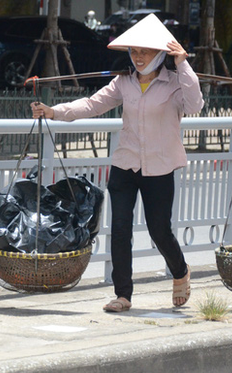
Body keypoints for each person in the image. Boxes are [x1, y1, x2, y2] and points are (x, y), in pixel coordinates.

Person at [31, 14, 204, 312]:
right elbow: (91, 104)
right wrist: (53, 111)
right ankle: (123, 294)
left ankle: (180, 272)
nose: (138, 57)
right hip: (125, 166)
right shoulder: (123, 82)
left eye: (145, 51)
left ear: (161, 54)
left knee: (159, 230)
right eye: (134, 51)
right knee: (120, 229)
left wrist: (183, 63)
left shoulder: (176, 83)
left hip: (159, 169)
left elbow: (195, 105)